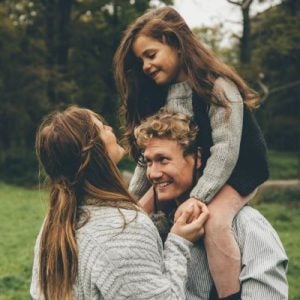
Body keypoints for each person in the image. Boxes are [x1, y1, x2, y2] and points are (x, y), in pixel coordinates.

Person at [114, 6, 269, 298]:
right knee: (136, 217)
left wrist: (199, 197)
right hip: (197, 170)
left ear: (175, 43)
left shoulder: (217, 87)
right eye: (141, 60)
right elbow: (147, 155)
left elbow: (225, 150)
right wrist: (129, 201)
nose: (146, 65)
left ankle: (229, 295)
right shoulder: (162, 94)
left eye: (151, 54)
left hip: (238, 171)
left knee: (215, 222)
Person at [30, 106, 209, 300]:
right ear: (95, 151)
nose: (110, 128)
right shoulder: (123, 227)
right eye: (103, 127)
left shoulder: (53, 225)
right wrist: (179, 243)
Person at [135, 109, 288, 300]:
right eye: (149, 162)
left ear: (198, 158)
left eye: (163, 160)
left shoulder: (247, 225)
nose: (153, 173)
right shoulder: (154, 227)